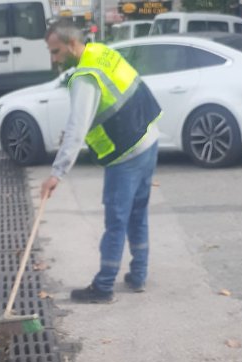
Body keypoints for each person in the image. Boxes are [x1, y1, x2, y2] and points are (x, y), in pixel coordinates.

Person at [39, 20, 162, 303]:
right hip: (148, 139)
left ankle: (104, 286)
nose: (54, 59)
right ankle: (139, 276)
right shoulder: (101, 52)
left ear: (71, 44)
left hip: (126, 153)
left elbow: (77, 127)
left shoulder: (85, 76)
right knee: (137, 213)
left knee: (116, 220)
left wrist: (56, 173)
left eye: (56, 51)